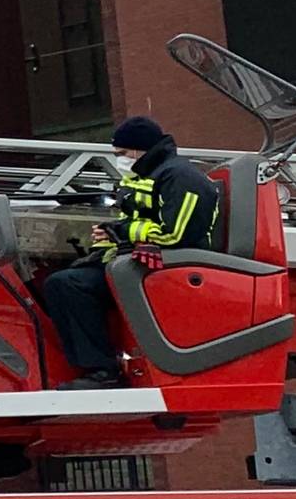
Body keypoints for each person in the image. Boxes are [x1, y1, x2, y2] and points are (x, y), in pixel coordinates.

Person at [38, 115, 221, 390]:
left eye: (122, 153)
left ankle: (104, 372)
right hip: (140, 262)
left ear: (139, 148)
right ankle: (94, 368)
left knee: (70, 286)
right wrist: (108, 236)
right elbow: (137, 221)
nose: (120, 159)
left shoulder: (182, 178)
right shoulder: (148, 175)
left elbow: (178, 234)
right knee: (58, 282)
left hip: (170, 265)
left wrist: (122, 232)